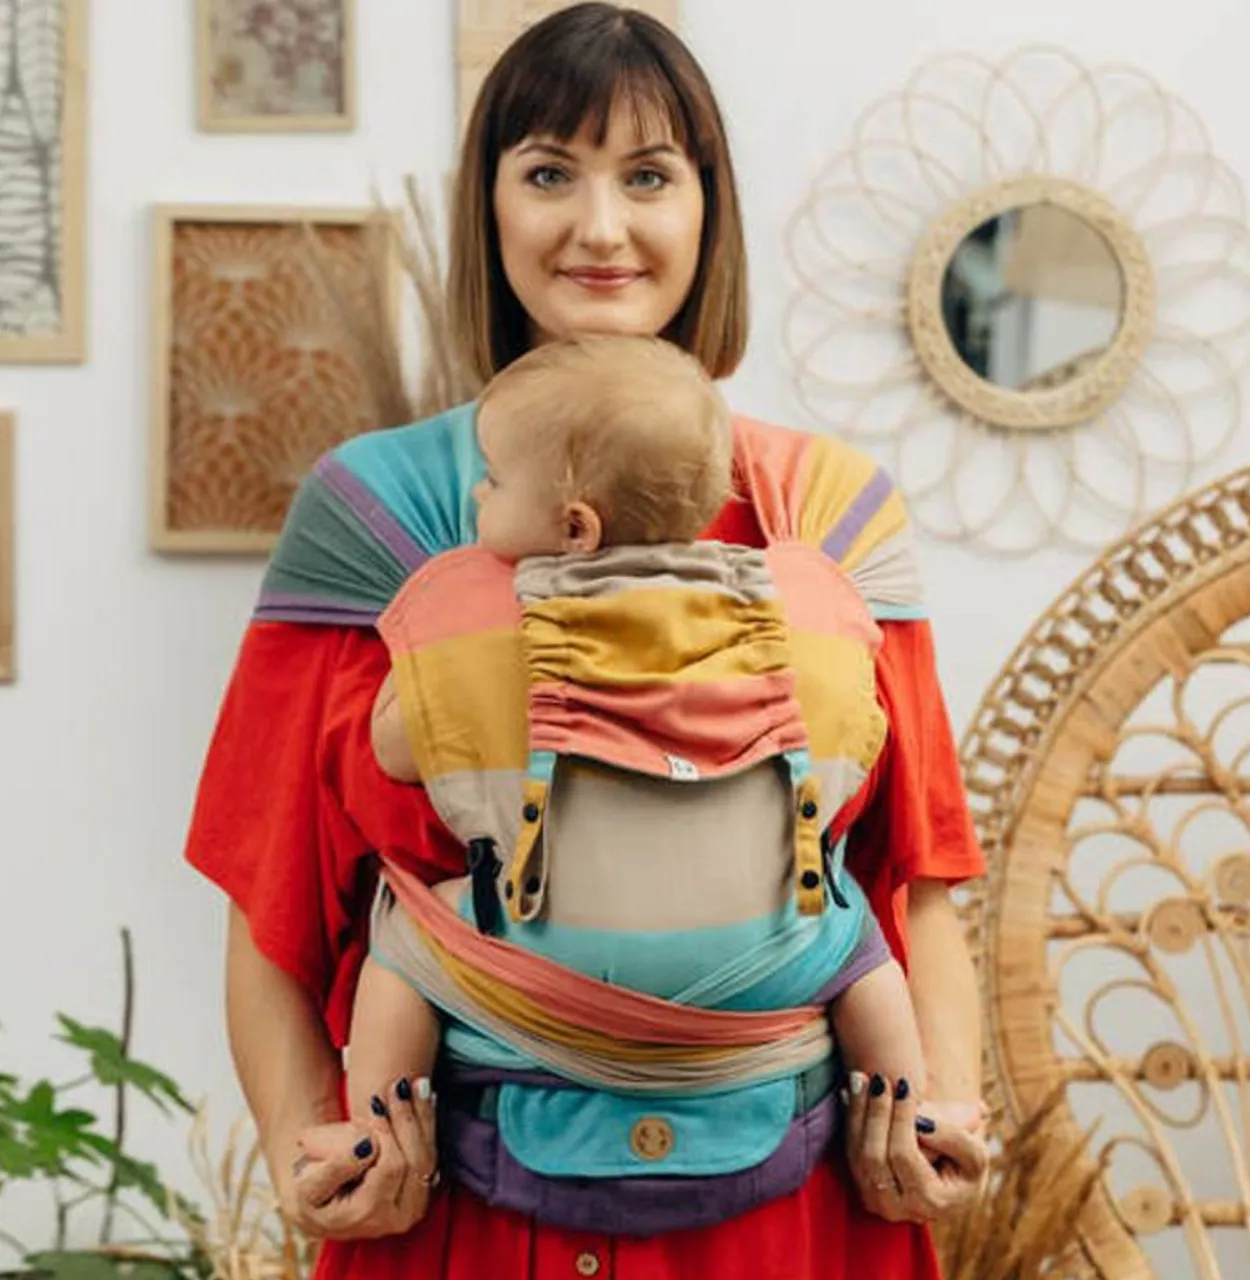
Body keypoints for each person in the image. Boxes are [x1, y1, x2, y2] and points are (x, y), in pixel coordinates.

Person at [184, 4, 990, 1274]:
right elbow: (271, 898)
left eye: (648, 176)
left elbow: (915, 879)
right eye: (550, 172)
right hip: (451, 1213)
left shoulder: (830, 517)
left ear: (708, 209)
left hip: (785, 1215)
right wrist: (305, 1145)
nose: (600, 227)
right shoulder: (373, 515)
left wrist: (940, 1104)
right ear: (489, 205)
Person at [347, 333, 929, 1166]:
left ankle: (377, 1140)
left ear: (574, 526)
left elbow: (394, 752)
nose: (477, 491)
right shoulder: (798, 613)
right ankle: (907, 1122)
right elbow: (863, 733)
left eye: (495, 478)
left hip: (548, 960)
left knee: (405, 945)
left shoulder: (479, 627)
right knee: (859, 948)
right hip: (767, 960)